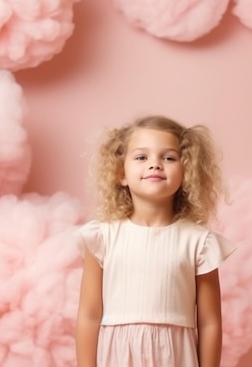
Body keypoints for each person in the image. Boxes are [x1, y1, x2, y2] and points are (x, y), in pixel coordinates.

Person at [75, 115, 236, 367]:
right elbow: (88, 315)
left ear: (187, 172)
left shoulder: (198, 243)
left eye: (169, 158)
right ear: (121, 174)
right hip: (117, 358)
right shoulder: (102, 237)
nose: (155, 165)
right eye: (141, 157)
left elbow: (210, 322)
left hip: (176, 357)